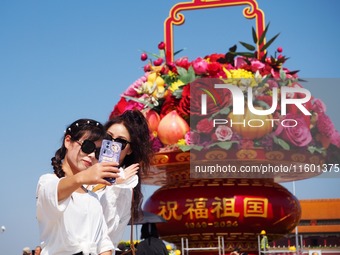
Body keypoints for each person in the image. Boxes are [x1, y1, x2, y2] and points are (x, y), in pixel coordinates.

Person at [36, 118, 119, 255]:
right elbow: (53, 193)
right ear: (68, 141)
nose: (91, 155)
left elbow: (103, 243)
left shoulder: (92, 198)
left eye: (98, 152)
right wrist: (85, 177)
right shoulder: (47, 182)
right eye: (87, 147)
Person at [96, 110, 154, 253]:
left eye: (121, 142)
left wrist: (115, 183)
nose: (112, 144)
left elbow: (109, 227)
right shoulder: (84, 164)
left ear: (129, 150)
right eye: (108, 137)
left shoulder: (127, 181)